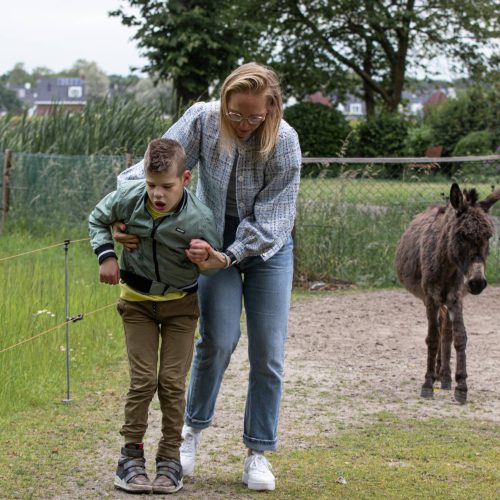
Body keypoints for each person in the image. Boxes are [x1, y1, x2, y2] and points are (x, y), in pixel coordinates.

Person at [115, 62, 302, 491]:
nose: (242, 124)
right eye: (235, 114)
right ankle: (191, 432)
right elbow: (150, 168)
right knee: (216, 341)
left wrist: (230, 255)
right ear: (224, 103)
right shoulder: (202, 119)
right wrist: (118, 215)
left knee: (268, 353)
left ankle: (258, 452)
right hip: (209, 243)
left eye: (254, 117)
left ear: (271, 109)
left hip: (266, 250)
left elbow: (274, 218)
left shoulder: (285, 142)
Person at [89, 138, 220, 494]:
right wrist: (107, 255)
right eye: (151, 185)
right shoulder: (129, 199)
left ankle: (169, 460)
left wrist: (205, 257)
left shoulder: (200, 217)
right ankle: (130, 458)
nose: (157, 194)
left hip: (181, 308)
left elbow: (213, 265)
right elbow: (98, 218)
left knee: (173, 383)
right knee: (144, 380)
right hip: (137, 304)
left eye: (167, 186)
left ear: (186, 179)